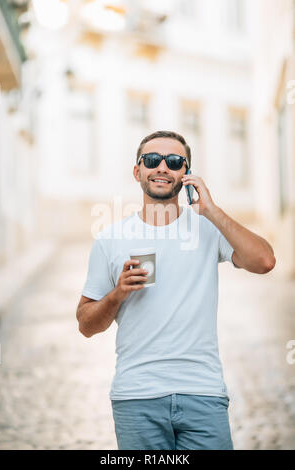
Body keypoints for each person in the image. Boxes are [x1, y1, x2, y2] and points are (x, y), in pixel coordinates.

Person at [76, 130, 276, 450]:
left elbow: (265, 261)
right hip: (136, 397)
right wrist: (117, 294)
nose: (163, 167)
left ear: (186, 174)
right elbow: (86, 325)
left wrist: (211, 210)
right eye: (153, 160)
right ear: (137, 171)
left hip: (203, 393)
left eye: (175, 161)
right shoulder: (110, 239)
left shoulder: (209, 229)